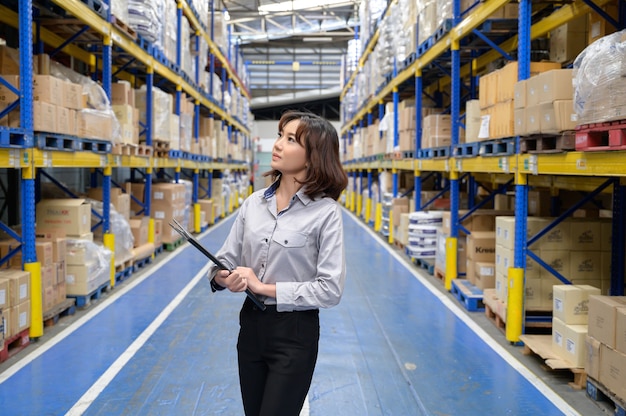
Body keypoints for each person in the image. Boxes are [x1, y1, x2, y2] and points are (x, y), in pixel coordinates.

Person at [208, 109, 349, 416]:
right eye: (279, 136)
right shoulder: (254, 204)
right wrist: (224, 277)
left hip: (294, 333)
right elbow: (224, 260)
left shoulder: (325, 213)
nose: (278, 145)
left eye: (290, 139)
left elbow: (330, 289)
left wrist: (264, 287)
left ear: (313, 157)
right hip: (251, 327)